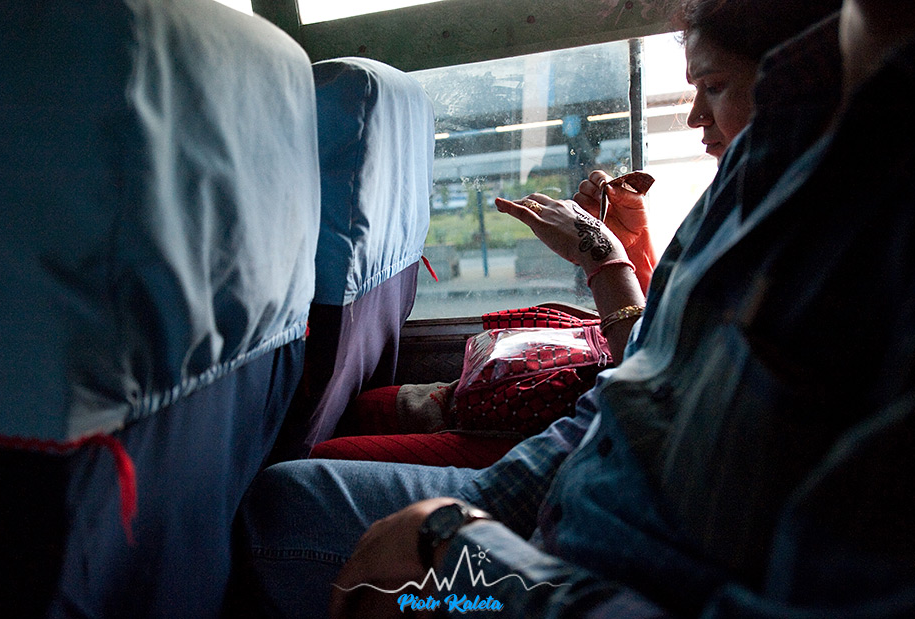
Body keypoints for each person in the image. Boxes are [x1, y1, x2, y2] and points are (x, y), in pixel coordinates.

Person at [235, 1, 915, 617]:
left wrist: (459, 545)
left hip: (604, 574)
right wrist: (487, 504)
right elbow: (633, 388)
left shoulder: (879, 230)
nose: (695, 118)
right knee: (286, 497)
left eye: (712, 86)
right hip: (577, 492)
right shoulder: (768, 148)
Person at [577, 0, 843, 295]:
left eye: (715, 87)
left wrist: (603, 259)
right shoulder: (744, 195)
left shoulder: (813, 215)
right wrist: (634, 249)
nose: (695, 118)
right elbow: (679, 319)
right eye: (696, 89)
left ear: (787, 80)